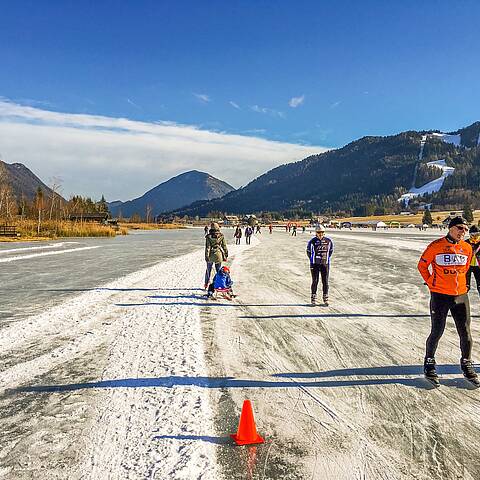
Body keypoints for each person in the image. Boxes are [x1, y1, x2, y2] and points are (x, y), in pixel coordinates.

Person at [417, 216, 477, 384]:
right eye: (459, 228)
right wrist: (431, 283)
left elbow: (465, 270)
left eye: (465, 229)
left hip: (460, 296)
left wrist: (463, 286)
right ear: (450, 228)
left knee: (465, 332)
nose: (463, 232)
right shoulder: (436, 246)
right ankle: (429, 363)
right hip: (440, 296)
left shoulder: (466, 248)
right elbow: (422, 265)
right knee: (437, 331)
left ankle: (466, 363)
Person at [306, 225, 334, 306]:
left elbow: (330, 251)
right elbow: (308, 252)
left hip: (325, 264)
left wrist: (325, 259)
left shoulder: (328, 241)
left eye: (322, 232)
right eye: (318, 232)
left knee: (325, 281)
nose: (320, 234)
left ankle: (325, 298)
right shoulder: (312, 242)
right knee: (315, 281)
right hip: (314, 264)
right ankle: (313, 298)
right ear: (316, 233)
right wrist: (313, 260)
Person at [204, 222, 228, 289]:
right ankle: (219, 284)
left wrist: (206, 256)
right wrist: (226, 254)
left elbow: (207, 248)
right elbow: (224, 246)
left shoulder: (209, 237)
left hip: (211, 255)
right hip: (218, 255)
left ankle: (206, 284)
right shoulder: (221, 236)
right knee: (219, 271)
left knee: (208, 270)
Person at [466, 225, 480, 298]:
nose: (475, 236)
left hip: (478, 266)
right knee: (465, 286)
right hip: (468, 266)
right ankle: (460, 304)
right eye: (472, 234)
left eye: (477, 234)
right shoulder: (466, 243)